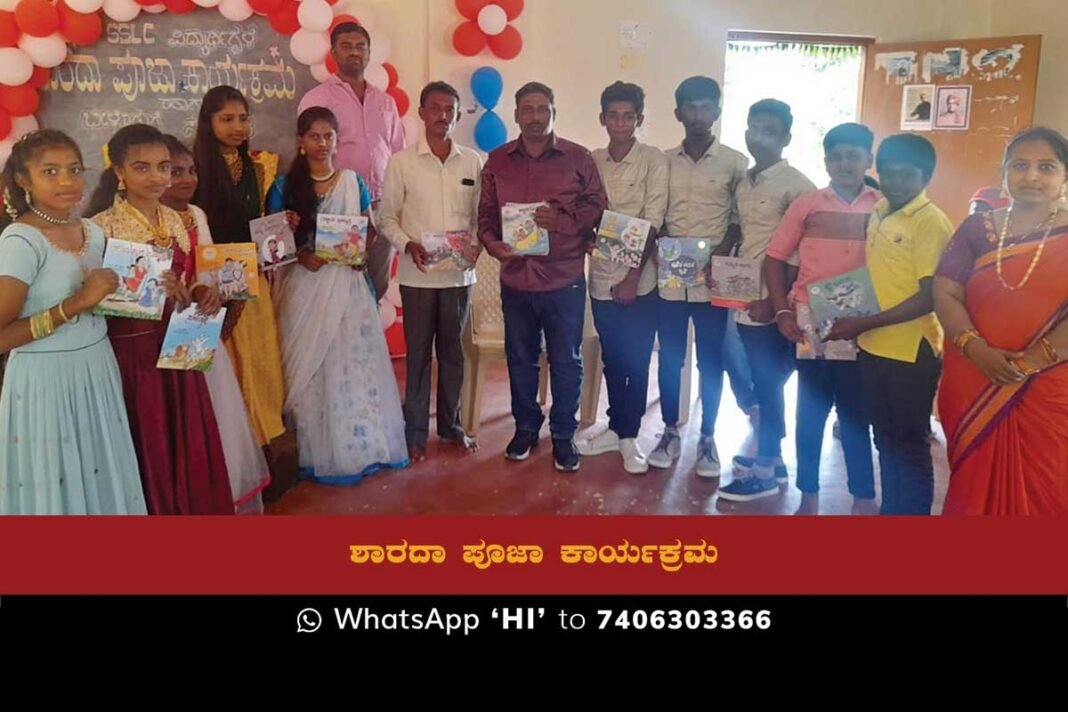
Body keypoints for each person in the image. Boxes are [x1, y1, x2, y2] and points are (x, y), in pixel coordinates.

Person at [88, 124, 233, 515]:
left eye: (164, 167)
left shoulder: (177, 222)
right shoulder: (101, 227)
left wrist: (201, 292)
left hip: (180, 343)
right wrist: (147, 285)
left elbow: (188, 283)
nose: (157, 177)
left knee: (185, 432)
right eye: (142, 167)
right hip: (134, 352)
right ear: (119, 171)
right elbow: (95, 297)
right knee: (147, 433)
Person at [0, 129, 146, 515]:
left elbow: (108, 299)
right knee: (55, 485)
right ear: (22, 181)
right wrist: (76, 303)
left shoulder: (93, 232)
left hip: (96, 369)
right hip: (45, 380)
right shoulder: (21, 240)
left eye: (74, 169)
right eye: (50, 171)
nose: (67, 181)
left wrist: (152, 285)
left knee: (100, 475)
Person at [269, 107, 408, 484]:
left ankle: (360, 443)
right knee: (311, 364)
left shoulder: (352, 181)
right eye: (313, 135)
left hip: (346, 287)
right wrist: (299, 250)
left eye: (328, 135)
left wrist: (358, 247)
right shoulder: (284, 187)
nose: (321, 143)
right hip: (305, 285)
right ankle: (314, 447)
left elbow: (371, 232)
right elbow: (269, 244)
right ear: (300, 141)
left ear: (336, 139)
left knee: (351, 361)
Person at [934, 126, 1068, 515]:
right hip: (973, 378)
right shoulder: (976, 229)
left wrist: (1027, 365)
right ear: (1003, 173)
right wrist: (975, 349)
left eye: (1046, 167)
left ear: (1064, 176)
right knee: (972, 485)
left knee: (1048, 487)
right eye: (1020, 165)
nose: (1031, 176)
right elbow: (945, 291)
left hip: (1049, 385)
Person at [477, 81, 608, 472]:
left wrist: (562, 220)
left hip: (563, 278)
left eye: (542, 109)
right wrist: (491, 244)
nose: (535, 117)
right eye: (527, 109)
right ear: (516, 115)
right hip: (515, 278)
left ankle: (564, 436)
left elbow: (598, 207)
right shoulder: (498, 161)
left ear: (554, 112)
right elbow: (485, 217)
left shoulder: (578, 158)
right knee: (520, 358)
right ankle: (526, 428)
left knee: (566, 360)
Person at [824, 134, 953, 515]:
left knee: (910, 444)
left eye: (907, 176)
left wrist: (864, 322)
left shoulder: (931, 222)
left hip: (911, 352)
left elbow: (930, 296)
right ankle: (893, 511)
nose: (897, 183)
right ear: (878, 171)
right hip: (874, 347)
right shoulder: (880, 210)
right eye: (889, 174)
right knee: (885, 438)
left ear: (926, 176)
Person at [764, 123, 878, 515]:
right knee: (810, 409)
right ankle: (808, 493)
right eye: (837, 156)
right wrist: (782, 310)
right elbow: (775, 258)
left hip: (862, 324)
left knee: (855, 413)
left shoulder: (882, 205)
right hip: (811, 320)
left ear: (869, 159)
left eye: (854, 155)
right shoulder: (808, 204)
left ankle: (863, 495)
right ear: (826, 161)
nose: (845, 163)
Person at [161, 134, 271, 513]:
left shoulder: (197, 215)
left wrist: (210, 291)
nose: (186, 179)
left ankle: (210, 489)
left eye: (191, 170)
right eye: (175, 171)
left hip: (193, 325)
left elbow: (208, 272)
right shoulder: (133, 219)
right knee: (169, 415)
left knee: (207, 411)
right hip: (155, 329)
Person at [646, 76, 747, 478]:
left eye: (707, 107)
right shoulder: (663, 162)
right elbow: (657, 214)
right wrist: (660, 246)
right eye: (691, 107)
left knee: (711, 360)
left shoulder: (735, 163)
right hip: (671, 274)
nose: (699, 115)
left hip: (712, 276)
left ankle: (708, 438)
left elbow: (739, 221)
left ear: (718, 112)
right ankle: (670, 431)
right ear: (678, 113)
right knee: (670, 358)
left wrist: (719, 256)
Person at [378, 81, 482, 463]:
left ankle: (452, 429)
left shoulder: (472, 161)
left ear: (457, 115)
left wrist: (477, 245)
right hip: (417, 275)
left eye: (449, 109)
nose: (442, 115)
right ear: (421, 113)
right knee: (418, 356)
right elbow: (386, 217)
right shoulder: (401, 163)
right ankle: (415, 434)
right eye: (434, 108)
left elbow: (479, 217)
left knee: (453, 355)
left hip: (458, 278)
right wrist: (408, 244)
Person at [717, 99, 816, 502]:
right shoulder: (746, 180)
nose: (760, 137)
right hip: (742, 293)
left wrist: (778, 304)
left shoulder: (798, 186)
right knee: (756, 376)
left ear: (786, 137)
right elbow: (742, 234)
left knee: (771, 382)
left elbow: (800, 252)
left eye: (770, 131)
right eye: (754, 128)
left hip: (775, 300)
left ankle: (766, 468)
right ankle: (771, 461)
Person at [576, 81, 667, 474]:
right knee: (613, 356)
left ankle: (629, 436)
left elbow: (652, 221)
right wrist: (584, 235)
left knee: (636, 356)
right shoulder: (591, 159)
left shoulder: (653, 160)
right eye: (613, 115)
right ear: (602, 119)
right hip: (600, 278)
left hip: (640, 281)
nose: (620, 123)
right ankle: (616, 428)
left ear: (639, 120)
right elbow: (583, 210)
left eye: (628, 116)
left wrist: (632, 278)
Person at [193, 85, 288, 458]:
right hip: (208, 283)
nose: (237, 127)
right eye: (227, 119)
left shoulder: (261, 167)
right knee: (224, 363)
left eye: (243, 119)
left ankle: (265, 438)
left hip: (252, 278)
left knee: (261, 356)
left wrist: (281, 227)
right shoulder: (193, 168)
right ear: (208, 122)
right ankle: (228, 448)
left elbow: (263, 222)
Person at [298, 21, 406, 301]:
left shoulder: (385, 102)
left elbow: (398, 153)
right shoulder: (317, 98)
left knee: (376, 283)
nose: (354, 52)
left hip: (382, 205)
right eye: (346, 46)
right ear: (333, 52)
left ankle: (364, 344)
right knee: (336, 286)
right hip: (338, 206)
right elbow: (307, 152)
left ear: (369, 54)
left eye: (361, 46)